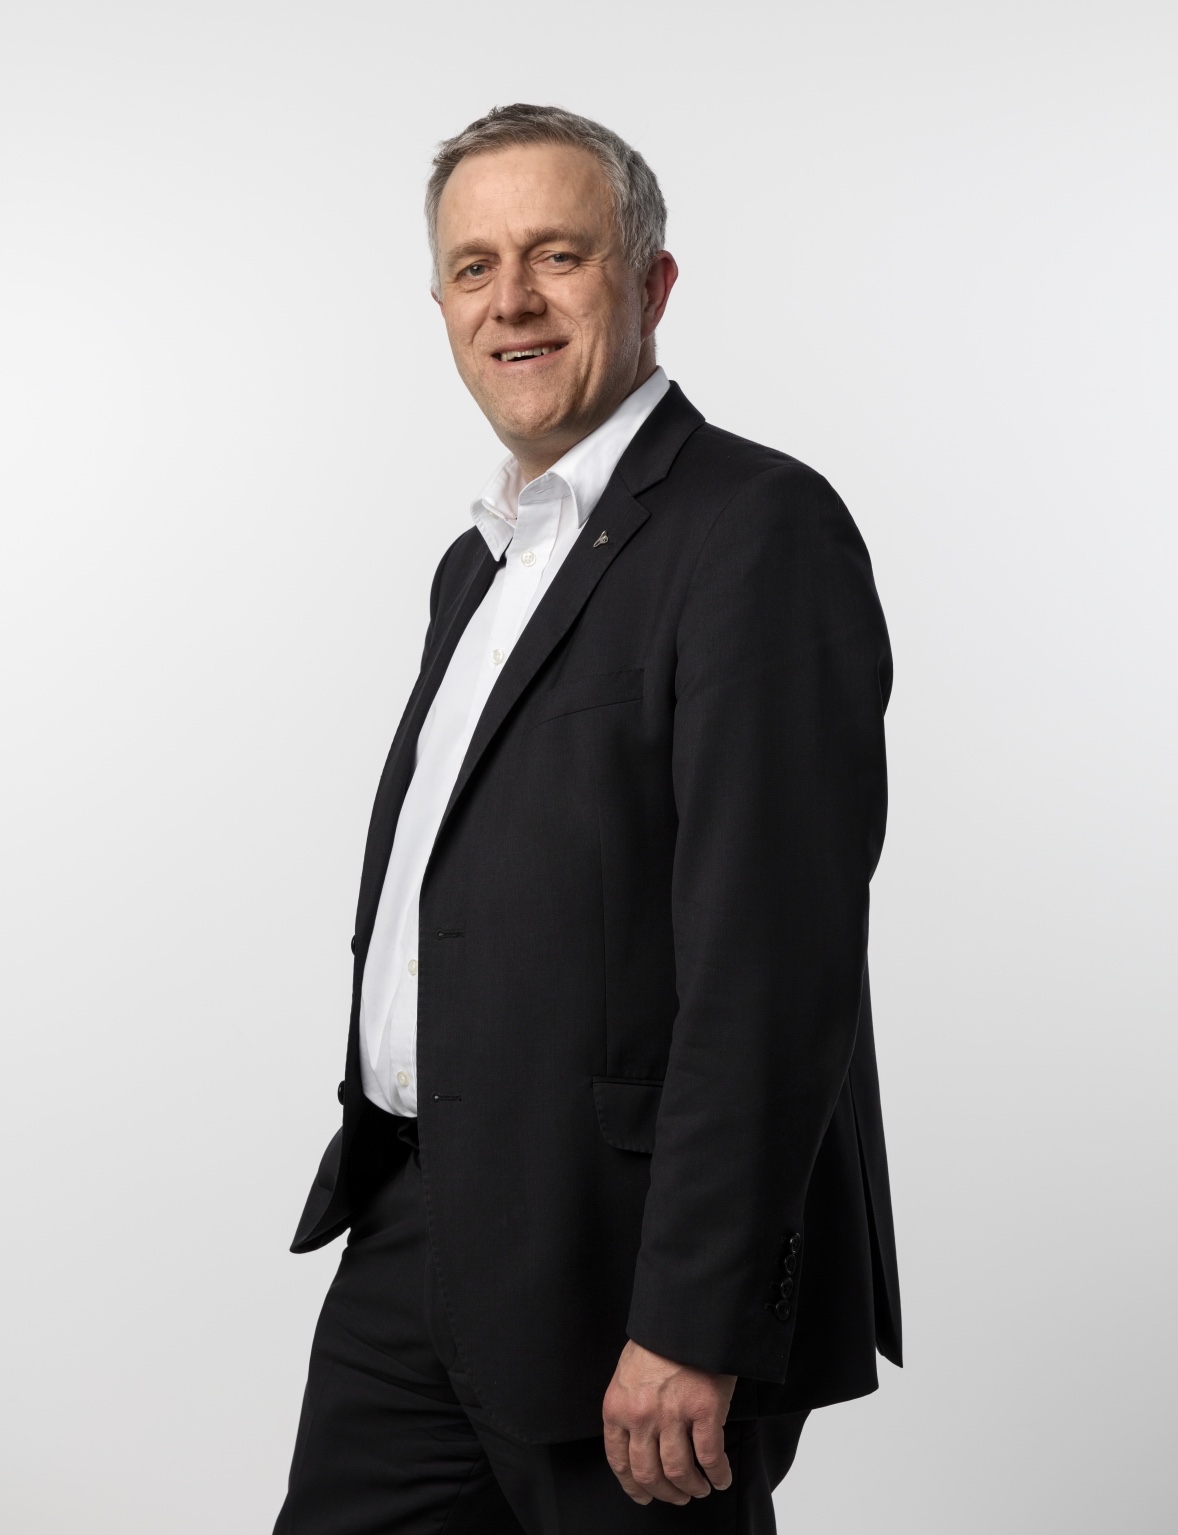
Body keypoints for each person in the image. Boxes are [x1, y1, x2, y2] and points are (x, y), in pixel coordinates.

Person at [274, 103, 901, 1535]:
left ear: (652, 283)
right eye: (474, 266)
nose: (511, 301)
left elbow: (773, 970)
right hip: (417, 1226)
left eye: (557, 255)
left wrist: (694, 1315)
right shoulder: (480, 563)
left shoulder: (756, 529)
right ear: (442, 303)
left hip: (626, 1275)